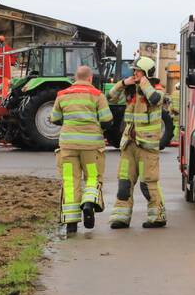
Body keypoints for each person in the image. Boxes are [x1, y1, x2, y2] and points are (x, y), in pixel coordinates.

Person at [49, 65, 113, 237]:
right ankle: (89, 203)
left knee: (70, 181)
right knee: (92, 177)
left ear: (75, 77)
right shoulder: (97, 95)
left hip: (68, 146)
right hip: (91, 147)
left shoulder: (62, 95)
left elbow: (54, 118)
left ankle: (71, 224)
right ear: (90, 78)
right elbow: (107, 120)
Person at [108, 56, 167, 229]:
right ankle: (121, 217)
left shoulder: (156, 89)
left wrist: (143, 82)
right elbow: (110, 97)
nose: (134, 74)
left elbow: (154, 99)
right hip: (129, 144)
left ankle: (157, 217)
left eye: (138, 71)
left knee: (148, 184)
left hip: (147, 146)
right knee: (124, 183)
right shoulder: (131, 90)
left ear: (147, 73)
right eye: (134, 71)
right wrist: (123, 84)